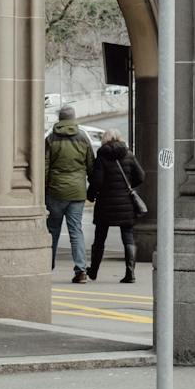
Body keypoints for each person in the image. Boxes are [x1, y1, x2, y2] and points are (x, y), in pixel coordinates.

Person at [44, 105, 95, 283]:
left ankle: (46, 266)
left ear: (60, 119)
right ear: (73, 119)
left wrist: (44, 189)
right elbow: (91, 166)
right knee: (76, 231)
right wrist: (91, 190)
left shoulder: (51, 138)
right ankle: (81, 270)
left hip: (55, 191)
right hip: (77, 192)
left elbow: (45, 166)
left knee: (53, 230)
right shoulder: (83, 138)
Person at [87, 132, 144, 284]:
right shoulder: (129, 155)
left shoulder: (102, 156)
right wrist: (129, 187)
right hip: (126, 202)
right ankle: (130, 273)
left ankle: (93, 270)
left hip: (105, 203)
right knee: (128, 236)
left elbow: (97, 181)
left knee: (100, 237)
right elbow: (141, 176)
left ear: (105, 140)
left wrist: (91, 195)